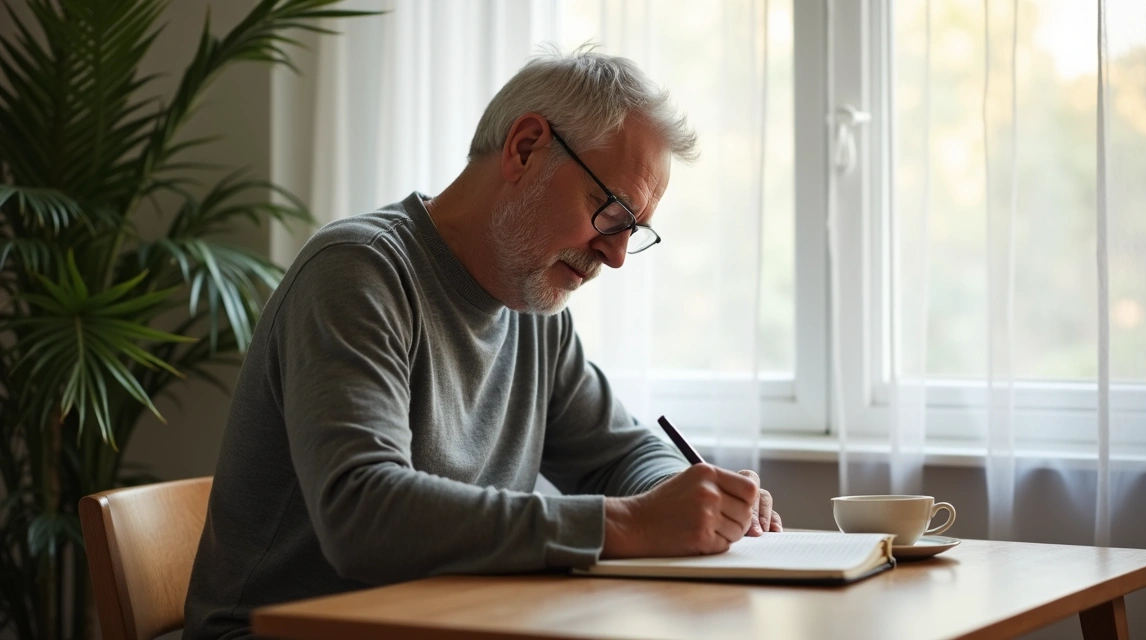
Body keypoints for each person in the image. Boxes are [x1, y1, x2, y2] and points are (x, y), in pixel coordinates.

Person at [183, 47, 782, 640]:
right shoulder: (358, 273)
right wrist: (630, 524)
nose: (618, 255)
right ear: (525, 148)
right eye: (612, 212)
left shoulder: (535, 310)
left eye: (635, 230)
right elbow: (361, 514)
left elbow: (616, 455)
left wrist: (692, 499)